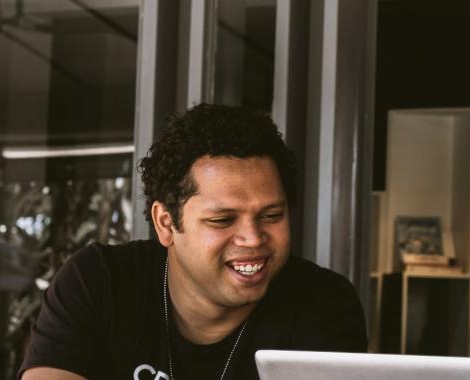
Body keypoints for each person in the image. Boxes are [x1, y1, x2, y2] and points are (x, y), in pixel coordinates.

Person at [19, 104, 368, 379]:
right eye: (222, 220)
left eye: (271, 216)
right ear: (166, 222)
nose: (253, 238)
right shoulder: (99, 281)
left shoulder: (322, 305)